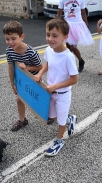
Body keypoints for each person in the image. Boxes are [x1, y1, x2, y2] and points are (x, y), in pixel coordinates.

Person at [34, 19, 78, 156]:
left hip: (62, 94)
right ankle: (70, 118)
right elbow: (48, 64)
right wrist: (40, 73)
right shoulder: (49, 50)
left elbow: (74, 79)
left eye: (55, 35)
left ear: (65, 37)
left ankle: (59, 141)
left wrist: (56, 86)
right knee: (51, 116)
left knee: (60, 121)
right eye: (48, 35)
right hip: (50, 91)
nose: (50, 39)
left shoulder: (68, 57)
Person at [3, 21, 43, 131]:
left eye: (13, 38)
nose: (10, 42)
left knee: (37, 99)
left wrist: (26, 68)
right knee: (19, 100)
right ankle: (22, 120)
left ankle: (49, 114)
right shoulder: (9, 51)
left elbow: (40, 67)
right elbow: (11, 67)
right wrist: (12, 84)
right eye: (7, 39)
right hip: (21, 79)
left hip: (34, 78)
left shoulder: (31, 52)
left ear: (22, 37)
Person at [56, 0, 94, 72]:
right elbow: (59, 13)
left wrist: (86, 24)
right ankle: (70, 64)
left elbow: (83, 12)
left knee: (72, 47)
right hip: (67, 25)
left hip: (78, 25)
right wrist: (56, 24)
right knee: (68, 46)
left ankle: (81, 61)